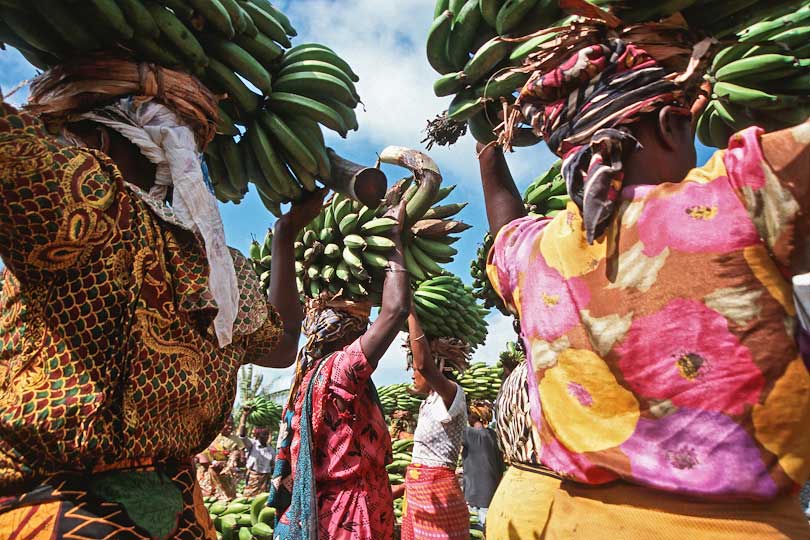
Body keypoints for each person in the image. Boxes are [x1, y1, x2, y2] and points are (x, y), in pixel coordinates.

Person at [479, 15, 810, 539]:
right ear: (666, 126)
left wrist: (486, 144)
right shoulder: (739, 190)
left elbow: (505, 227)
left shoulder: (534, 253)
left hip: (570, 521)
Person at [0, 56, 320, 539]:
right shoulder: (224, 270)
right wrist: (285, 238)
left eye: (66, 138)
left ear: (101, 142)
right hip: (181, 518)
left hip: (56, 512)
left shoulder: (87, 200)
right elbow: (283, 345)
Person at [268, 199, 411, 540]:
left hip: (345, 507)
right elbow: (395, 310)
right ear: (345, 330)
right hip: (350, 517)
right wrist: (392, 237)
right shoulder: (338, 370)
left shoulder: (309, 375)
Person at [394, 309, 469, 540]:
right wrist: (399, 489)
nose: (413, 373)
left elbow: (425, 364)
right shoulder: (428, 404)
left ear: (436, 365)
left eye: (414, 368)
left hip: (439, 495)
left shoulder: (453, 394)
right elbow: (424, 458)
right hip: (418, 494)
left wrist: (411, 313)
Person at [462, 402, 503, 528]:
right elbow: (500, 465)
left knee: (479, 529)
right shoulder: (493, 434)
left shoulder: (469, 433)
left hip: (476, 494)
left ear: (473, 417)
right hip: (492, 492)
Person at [196, 416, 243, 501]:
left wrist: (234, 459)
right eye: (227, 424)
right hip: (206, 472)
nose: (230, 426)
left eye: (232, 424)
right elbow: (200, 453)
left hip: (224, 474)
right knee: (205, 499)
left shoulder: (236, 440)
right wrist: (211, 463)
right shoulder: (210, 436)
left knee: (225, 499)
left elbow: (242, 459)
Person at [236, 407, 276, 498]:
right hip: (253, 477)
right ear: (258, 435)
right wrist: (244, 416)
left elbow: (272, 465)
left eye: (267, 434)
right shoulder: (252, 445)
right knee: (248, 498)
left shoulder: (271, 450)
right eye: (264, 434)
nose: (266, 437)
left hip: (265, 479)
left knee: (262, 500)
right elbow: (242, 435)